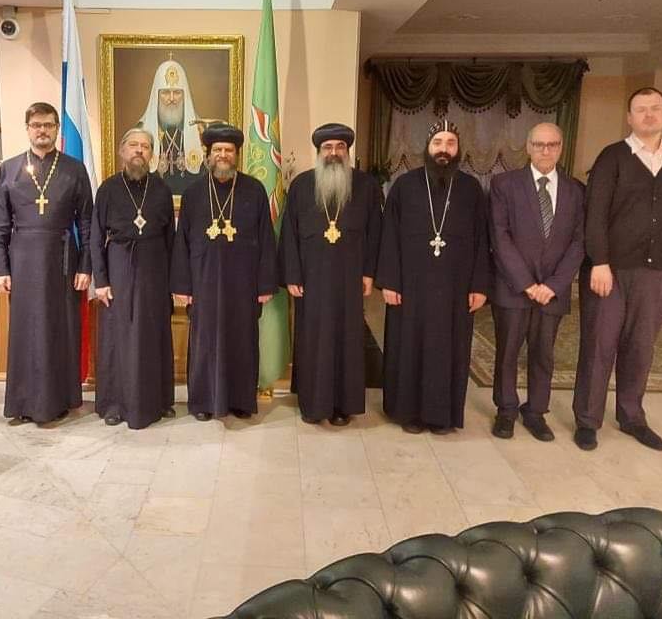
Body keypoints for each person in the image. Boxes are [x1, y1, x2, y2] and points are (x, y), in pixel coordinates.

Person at [573, 87, 662, 452]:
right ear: (629, 118)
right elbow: (594, 213)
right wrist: (599, 261)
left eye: (655, 108)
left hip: (659, 273)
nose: (648, 114)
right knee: (599, 346)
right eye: (641, 109)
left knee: (641, 347)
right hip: (609, 272)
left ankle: (632, 417)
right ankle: (587, 420)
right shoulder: (612, 157)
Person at [376, 119, 490, 434]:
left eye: (450, 143)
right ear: (427, 147)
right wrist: (389, 281)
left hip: (455, 287)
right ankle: (408, 413)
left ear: (458, 149)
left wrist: (479, 285)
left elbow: (483, 239)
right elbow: (389, 236)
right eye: (438, 142)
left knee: (448, 350)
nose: (444, 149)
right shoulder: (404, 185)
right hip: (410, 286)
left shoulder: (470, 188)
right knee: (408, 347)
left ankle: (441, 416)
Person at [0, 102, 93, 424]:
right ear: (27, 128)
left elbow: (87, 223)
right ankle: (24, 401)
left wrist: (86, 265)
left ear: (57, 129)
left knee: (60, 329)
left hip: (62, 259)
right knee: (27, 331)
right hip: (22, 261)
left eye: (49, 125)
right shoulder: (8, 169)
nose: (42, 131)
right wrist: (2, 269)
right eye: (36, 125)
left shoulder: (74, 169)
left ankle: (60, 399)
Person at [171, 123, 278, 421]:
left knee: (242, 341)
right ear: (208, 154)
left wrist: (265, 284)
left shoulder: (254, 190)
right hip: (203, 281)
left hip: (244, 284)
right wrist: (182, 286)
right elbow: (181, 243)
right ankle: (204, 403)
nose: (222, 155)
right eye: (217, 149)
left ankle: (241, 401)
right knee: (205, 342)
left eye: (228, 150)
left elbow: (267, 239)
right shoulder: (193, 193)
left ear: (236, 155)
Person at [279, 123, 382, 426]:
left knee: (347, 339)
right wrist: (292, 274)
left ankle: (343, 405)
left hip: (350, 276)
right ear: (319, 152)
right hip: (311, 278)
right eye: (328, 147)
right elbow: (289, 234)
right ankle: (312, 404)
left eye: (340, 147)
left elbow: (375, 232)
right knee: (313, 339)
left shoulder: (365, 186)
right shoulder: (301, 186)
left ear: (347, 151)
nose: (334, 152)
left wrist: (369, 273)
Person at [488, 122, 584, 442]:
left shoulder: (576, 190)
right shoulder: (504, 184)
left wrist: (553, 285)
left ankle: (536, 412)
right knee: (507, 353)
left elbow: (579, 243)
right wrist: (527, 284)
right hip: (514, 289)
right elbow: (499, 237)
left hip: (552, 292)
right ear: (528, 147)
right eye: (539, 144)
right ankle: (506, 410)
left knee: (543, 354)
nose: (545, 150)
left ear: (561, 148)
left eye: (552, 144)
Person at [91, 128, 176, 429]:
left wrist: (173, 282)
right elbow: (95, 237)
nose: (139, 150)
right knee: (119, 336)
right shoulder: (108, 189)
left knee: (153, 334)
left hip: (155, 267)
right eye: (134, 145)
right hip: (119, 266)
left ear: (152, 154)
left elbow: (171, 239)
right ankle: (115, 403)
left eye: (146, 146)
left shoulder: (161, 189)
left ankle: (159, 401)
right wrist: (101, 280)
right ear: (122, 151)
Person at [135, 59, 205, 195]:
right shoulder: (141, 132)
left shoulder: (200, 131)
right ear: (157, 95)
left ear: (184, 95)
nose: (172, 98)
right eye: (166, 92)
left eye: (177, 92)